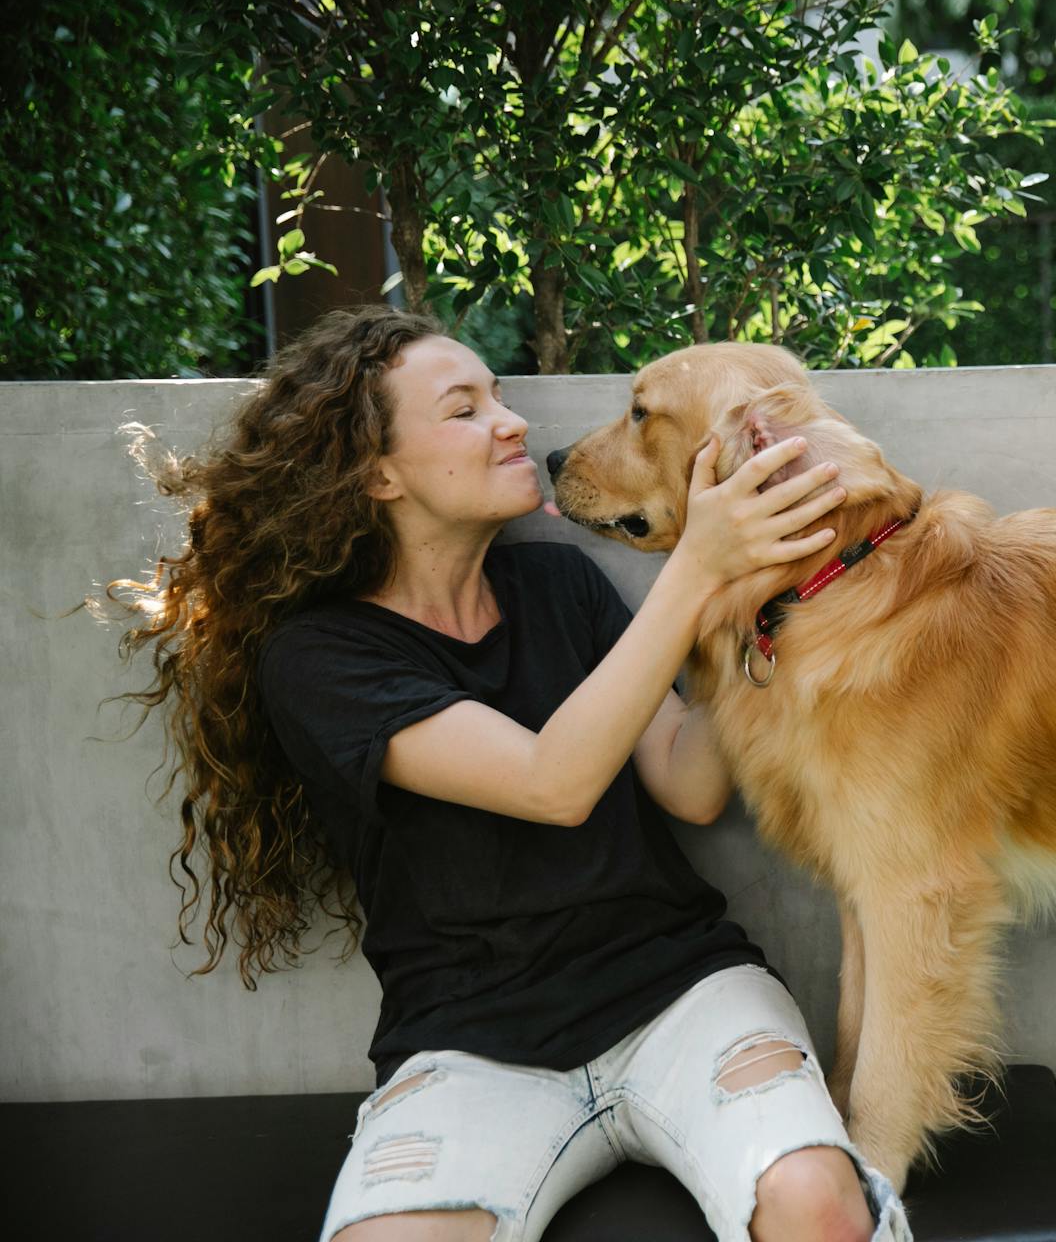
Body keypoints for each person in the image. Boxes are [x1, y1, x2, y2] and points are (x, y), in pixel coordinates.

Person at [111, 306, 908, 1242]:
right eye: (464, 410)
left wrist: (756, 597)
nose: (512, 421)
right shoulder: (321, 659)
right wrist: (696, 572)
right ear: (376, 472)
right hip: (468, 1048)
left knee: (819, 1202)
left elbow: (692, 784)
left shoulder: (563, 589)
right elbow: (550, 783)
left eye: (500, 396)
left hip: (685, 995)